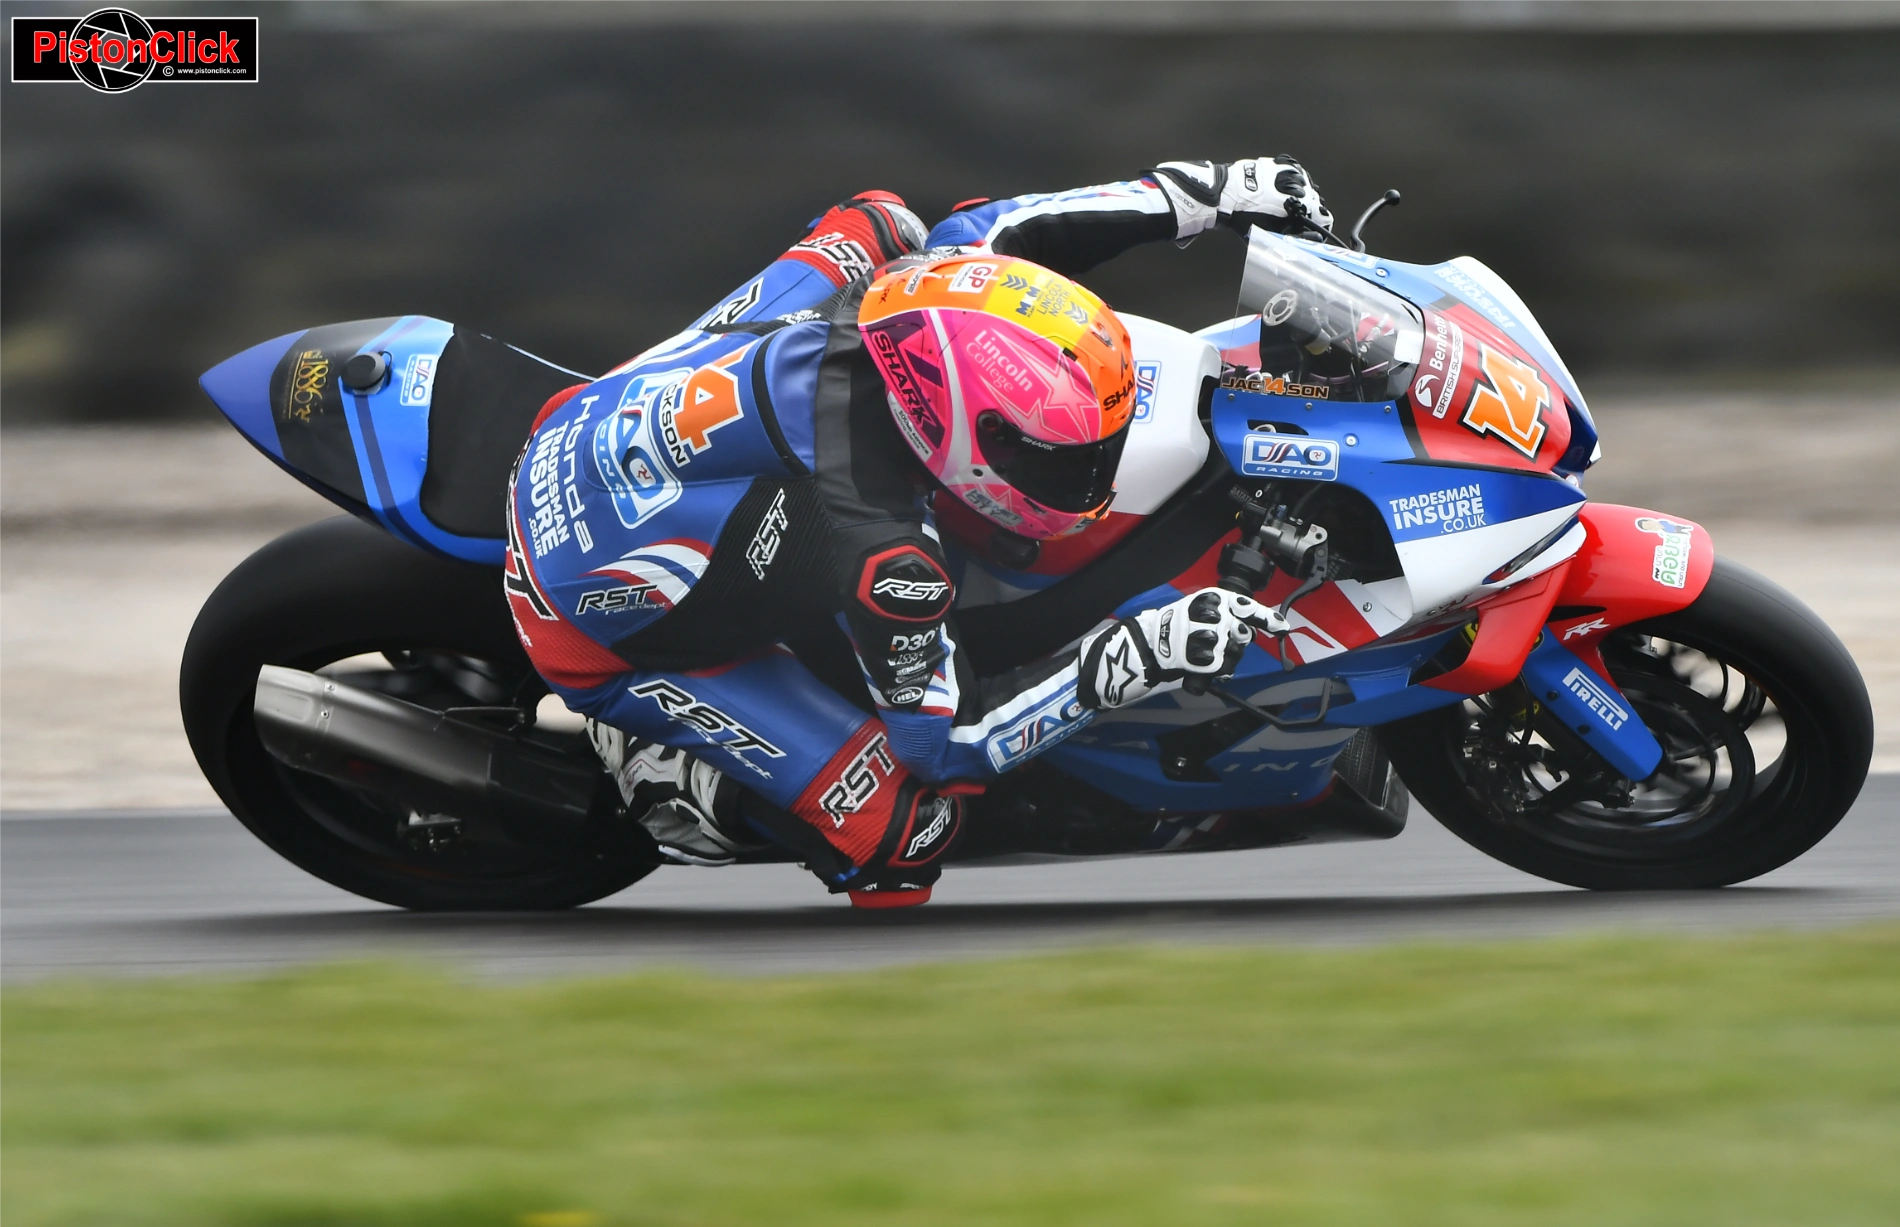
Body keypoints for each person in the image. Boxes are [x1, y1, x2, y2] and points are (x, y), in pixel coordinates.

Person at [503, 157, 1333, 907]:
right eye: (1062, 462)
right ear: (962, 427)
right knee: (908, 830)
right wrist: (1137, 655)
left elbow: (1000, 235)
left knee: (883, 223)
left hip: (594, 426)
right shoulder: (885, 554)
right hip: (586, 618)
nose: (1089, 481)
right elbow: (950, 741)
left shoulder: (918, 303)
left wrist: (1203, 194)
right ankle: (677, 776)